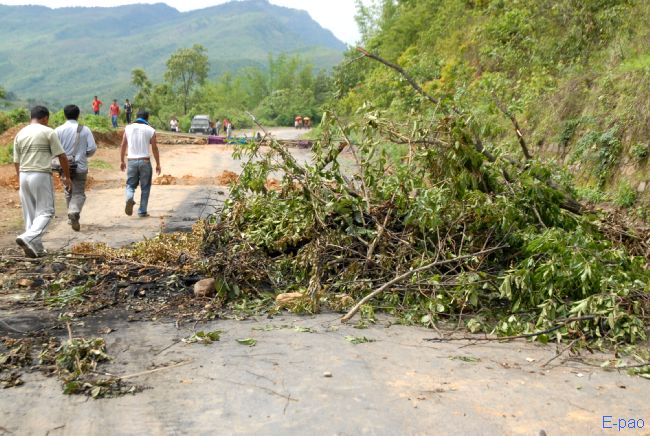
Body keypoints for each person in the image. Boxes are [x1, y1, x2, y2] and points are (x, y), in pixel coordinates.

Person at [13, 106, 72, 258]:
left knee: (30, 213)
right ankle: (28, 237)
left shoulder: (20, 133)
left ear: (31, 117)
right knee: (47, 212)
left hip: (23, 174)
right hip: (40, 174)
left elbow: (16, 161)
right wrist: (67, 177)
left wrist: (20, 179)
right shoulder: (48, 132)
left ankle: (36, 248)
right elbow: (62, 156)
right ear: (45, 118)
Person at [54, 104, 97, 232]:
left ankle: (70, 217)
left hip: (63, 166)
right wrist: (83, 155)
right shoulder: (85, 130)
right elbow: (92, 148)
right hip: (80, 166)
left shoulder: (57, 130)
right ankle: (73, 211)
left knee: (68, 191)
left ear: (64, 115)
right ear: (78, 115)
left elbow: (53, 150)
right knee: (78, 193)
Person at [120, 109, 161, 218]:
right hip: (145, 161)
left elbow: (123, 144)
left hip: (131, 161)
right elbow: (155, 148)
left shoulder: (128, 128)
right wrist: (158, 163)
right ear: (147, 117)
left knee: (130, 185)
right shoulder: (150, 130)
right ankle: (142, 211)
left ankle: (129, 197)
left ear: (136, 116)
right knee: (145, 187)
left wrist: (121, 160)